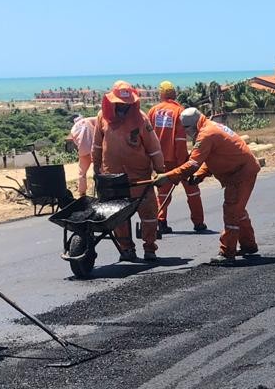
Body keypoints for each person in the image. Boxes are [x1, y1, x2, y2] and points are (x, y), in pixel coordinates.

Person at [153, 114, 260, 264]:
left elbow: (192, 164)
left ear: (193, 125)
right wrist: (200, 175)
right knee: (238, 210)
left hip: (239, 174)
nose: (186, 133)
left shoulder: (206, 135)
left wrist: (168, 177)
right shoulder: (211, 127)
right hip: (244, 169)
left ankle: (227, 252)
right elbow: (213, 156)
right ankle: (248, 245)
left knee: (232, 210)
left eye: (186, 129)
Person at [92, 81, 165, 262]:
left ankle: (150, 248)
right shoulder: (102, 117)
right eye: (120, 103)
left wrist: (160, 170)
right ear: (112, 102)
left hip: (139, 177)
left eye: (127, 104)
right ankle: (127, 250)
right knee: (118, 215)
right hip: (113, 178)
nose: (124, 107)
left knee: (148, 214)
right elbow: (97, 146)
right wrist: (95, 168)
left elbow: (153, 147)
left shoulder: (141, 119)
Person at [147, 81, 205, 234]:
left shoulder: (153, 111)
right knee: (192, 191)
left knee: (163, 193)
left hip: (160, 160)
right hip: (179, 158)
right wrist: (183, 165)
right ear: (174, 94)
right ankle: (199, 223)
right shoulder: (180, 111)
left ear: (161, 94)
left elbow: (147, 136)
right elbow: (180, 140)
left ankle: (161, 222)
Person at [69, 114, 97, 196]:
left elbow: (76, 142)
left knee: (82, 173)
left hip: (83, 151)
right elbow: (101, 120)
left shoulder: (73, 129)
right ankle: (101, 189)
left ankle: (82, 192)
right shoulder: (89, 119)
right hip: (95, 149)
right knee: (99, 170)